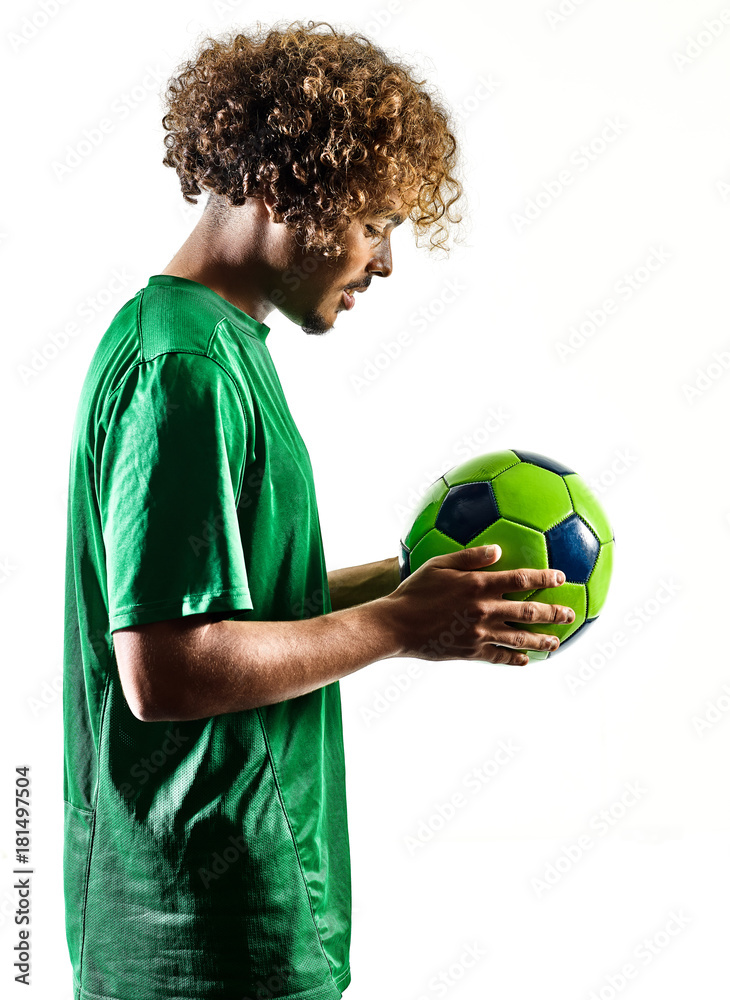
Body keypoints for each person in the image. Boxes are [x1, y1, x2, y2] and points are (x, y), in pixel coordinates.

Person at [62, 20, 574, 1000]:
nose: (383, 260)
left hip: (242, 923)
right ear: (285, 188)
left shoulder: (214, 346)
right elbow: (165, 669)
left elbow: (232, 613)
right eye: (375, 222)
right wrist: (397, 625)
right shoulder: (185, 367)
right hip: (201, 942)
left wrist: (409, 578)